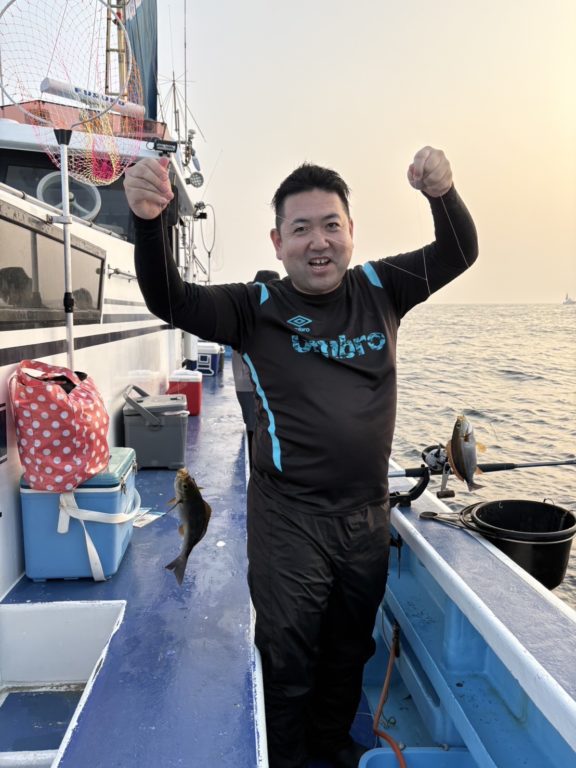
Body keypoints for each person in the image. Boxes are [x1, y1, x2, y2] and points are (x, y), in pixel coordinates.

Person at [124, 146, 478, 768]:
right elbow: (170, 299)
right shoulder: (252, 308)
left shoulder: (382, 287)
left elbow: (458, 252)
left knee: (349, 647)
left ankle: (333, 745)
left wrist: (442, 193)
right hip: (289, 520)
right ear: (278, 241)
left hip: (366, 516)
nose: (319, 242)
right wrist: (149, 224)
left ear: (351, 231)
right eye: (301, 228)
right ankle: (286, 758)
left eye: (331, 225)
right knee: (288, 655)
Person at [231, 269, 280, 469]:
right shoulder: (252, 316)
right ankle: (255, 469)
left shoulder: (250, 311)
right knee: (255, 429)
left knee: (256, 426)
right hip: (250, 384)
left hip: (248, 384)